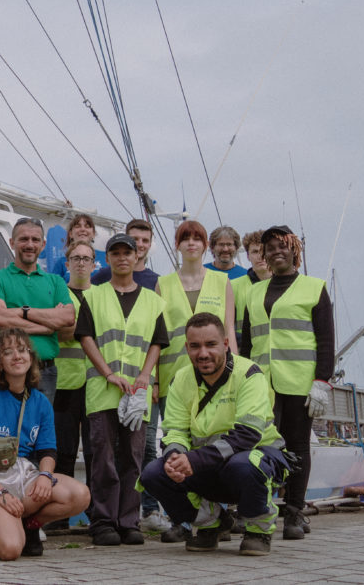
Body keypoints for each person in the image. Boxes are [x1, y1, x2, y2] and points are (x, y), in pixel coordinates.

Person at [140, 312, 289, 557]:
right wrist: (176, 457)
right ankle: (211, 523)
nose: (203, 353)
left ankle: (259, 528)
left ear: (226, 344)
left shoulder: (249, 373)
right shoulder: (180, 379)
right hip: (208, 464)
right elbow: (175, 430)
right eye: (195, 346)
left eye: (211, 344)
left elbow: (247, 435)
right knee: (154, 474)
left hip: (253, 459)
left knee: (245, 464)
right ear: (187, 347)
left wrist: (194, 460)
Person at [0, 328, 91, 560]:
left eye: (22, 350)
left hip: (23, 474)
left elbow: (48, 450)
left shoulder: (40, 401)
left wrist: (44, 475)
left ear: (31, 357)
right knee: (10, 550)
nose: (17, 356)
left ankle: (30, 525)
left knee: (79, 494)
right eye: (8, 352)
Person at [240, 225, 334, 540]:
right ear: (263, 255)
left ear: (295, 250)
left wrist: (322, 380)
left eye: (283, 246)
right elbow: (244, 343)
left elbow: (325, 339)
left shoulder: (314, 287)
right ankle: (257, 508)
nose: (276, 251)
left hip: (299, 382)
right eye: (270, 247)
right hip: (260, 384)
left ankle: (294, 513)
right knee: (260, 446)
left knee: (297, 447)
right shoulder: (252, 292)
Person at [77, 233, 167, 546]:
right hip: (103, 388)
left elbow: (157, 342)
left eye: (126, 252)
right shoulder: (94, 295)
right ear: (109, 258)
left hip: (137, 392)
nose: (122, 258)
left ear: (136, 255)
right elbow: (86, 337)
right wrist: (108, 373)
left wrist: (145, 376)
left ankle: (129, 522)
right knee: (103, 456)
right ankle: (103, 521)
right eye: (115, 253)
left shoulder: (153, 300)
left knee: (133, 456)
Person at [149, 220, 237, 539]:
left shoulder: (221, 281)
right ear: (177, 245)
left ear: (205, 246)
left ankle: (218, 513)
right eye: (184, 239)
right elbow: (158, 337)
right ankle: (183, 518)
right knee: (174, 442)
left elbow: (229, 330)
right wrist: (156, 380)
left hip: (215, 377)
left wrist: (235, 371)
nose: (191, 244)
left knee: (211, 443)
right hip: (174, 378)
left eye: (197, 238)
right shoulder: (164, 284)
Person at [0, 217, 75, 407]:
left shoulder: (56, 282)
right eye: (23, 239)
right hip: (6, 371)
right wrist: (48, 326)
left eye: (35, 240)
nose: (29, 244)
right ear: (12, 242)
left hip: (45, 372)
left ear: (43, 245)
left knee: (38, 433)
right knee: (4, 433)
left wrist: (22, 312)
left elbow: (67, 317)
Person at [50, 240, 96, 528]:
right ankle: (59, 518)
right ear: (67, 264)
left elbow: (72, 329)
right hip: (64, 381)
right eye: (75, 258)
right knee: (64, 450)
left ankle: (97, 514)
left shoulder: (102, 295)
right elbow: (59, 331)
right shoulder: (58, 291)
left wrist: (72, 326)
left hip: (95, 383)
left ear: (94, 264)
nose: (80, 263)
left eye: (86, 258)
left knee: (96, 451)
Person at [92, 219, 159, 291]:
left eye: (145, 240)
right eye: (135, 239)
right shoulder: (105, 274)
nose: (140, 244)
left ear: (150, 244)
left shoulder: (157, 282)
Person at [231, 229, 271, 348]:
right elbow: (224, 327)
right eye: (255, 251)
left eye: (265, 251)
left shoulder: (285, 285)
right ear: (248, 256)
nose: (260, 256)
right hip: (245, 356)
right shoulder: (233, 287)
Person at [51, 213, 100, 282]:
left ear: (94, 234)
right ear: (70, 234)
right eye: (78, 226)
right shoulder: (62, 262)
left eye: (87, 226)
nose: (83, 229)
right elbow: (53, 288)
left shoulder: (105, 258)